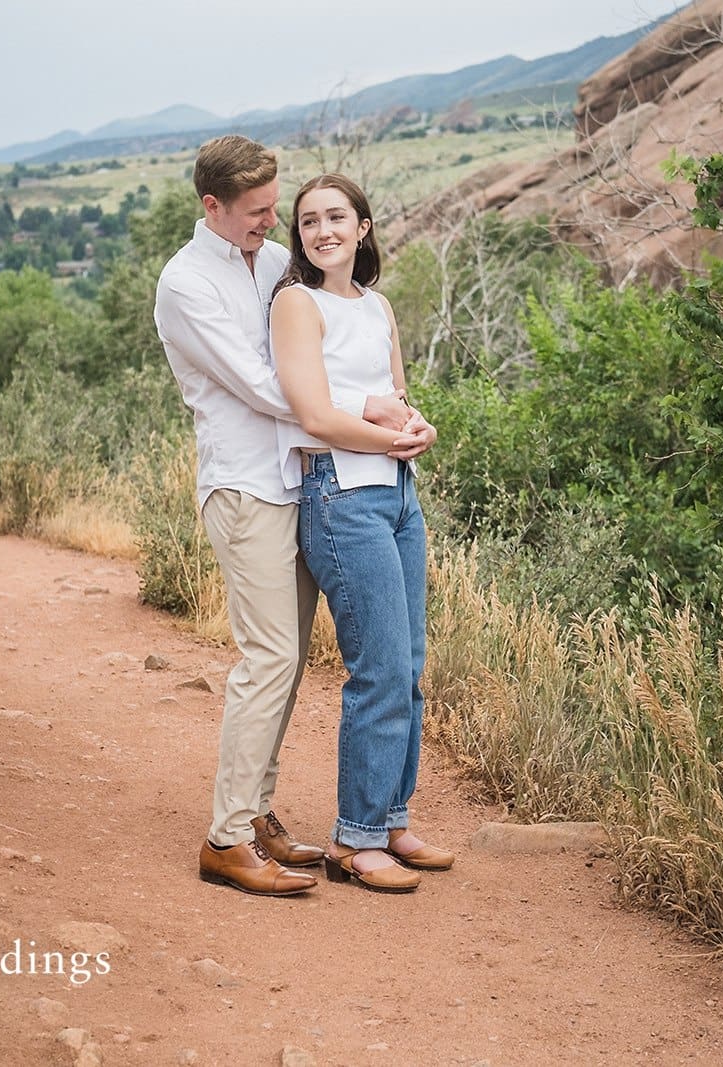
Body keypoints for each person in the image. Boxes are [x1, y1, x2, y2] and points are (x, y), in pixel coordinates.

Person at [154, 137, 436, 897]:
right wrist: (367, 410)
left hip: (301, 481)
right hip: (245, 484)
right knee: (271, 656)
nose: (272, 222)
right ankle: (226, 836)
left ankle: (258, 812)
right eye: (257, 211)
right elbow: (261, 384)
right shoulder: (186, 284)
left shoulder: (275, 260)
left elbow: (328, 352)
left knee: (292, 659)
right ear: (212, 206)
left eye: (276, 207)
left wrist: (387, 410)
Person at [268, 173, 455, 894]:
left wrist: (418, 427)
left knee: (408, 665)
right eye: (309, 221)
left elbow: (396, 397)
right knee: (377, 667)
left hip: (399, 495)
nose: (323, 231)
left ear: (363, 227)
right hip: (341, 496)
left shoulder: (376, 306)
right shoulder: (297, 302)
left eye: (336, 217)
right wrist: (389, 437)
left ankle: (391, 818)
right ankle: (355, 838)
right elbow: (314, 415)